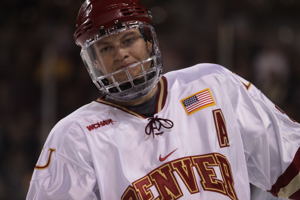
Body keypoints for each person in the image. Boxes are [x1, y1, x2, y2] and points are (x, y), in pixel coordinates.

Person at [26, 0, 300, 199]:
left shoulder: (214, 85)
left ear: (148, 41)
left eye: (128, 40)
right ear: (94, 61)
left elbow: (291, 165)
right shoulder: (74, 135)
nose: (120, 54)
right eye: (106, 48)